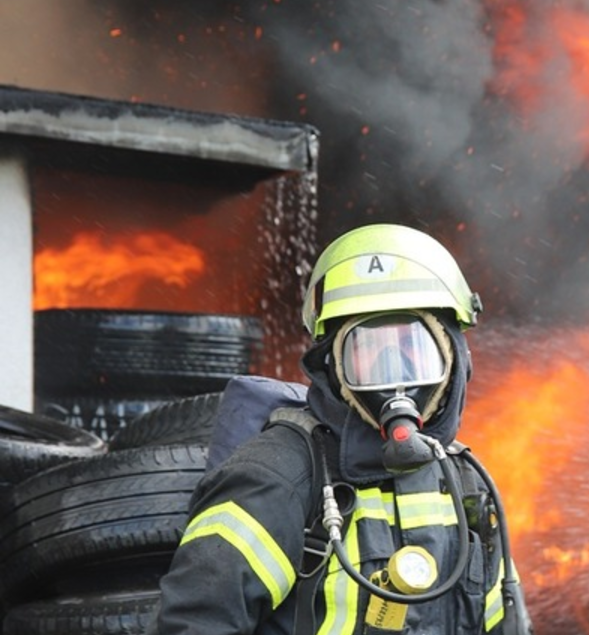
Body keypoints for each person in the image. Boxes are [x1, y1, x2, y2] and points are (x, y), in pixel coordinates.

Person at [150, 223, 531, 635]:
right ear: (333, 368)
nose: (396, 379)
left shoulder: (465, 484)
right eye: (369, 352)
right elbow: (194, 625)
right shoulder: (275, 479)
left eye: (413, 350)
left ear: (455, 361)